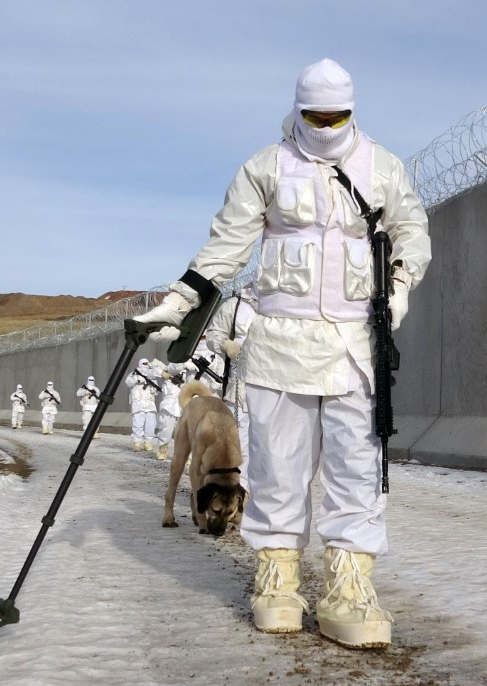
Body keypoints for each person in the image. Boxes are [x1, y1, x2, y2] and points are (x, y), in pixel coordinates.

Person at [133, 59, 431, 648]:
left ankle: (349, 585)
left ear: (352, 110)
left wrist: (398, 285)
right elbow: (227, 243)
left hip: (354, 345)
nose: (325, 126)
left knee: (356, 469)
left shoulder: (383, 167)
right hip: (280, 345)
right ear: (297, 110)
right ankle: (277, 580)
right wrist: (180, 298)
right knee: (277, 469)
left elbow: (413, 230)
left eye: (336, 116)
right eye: (314, 116)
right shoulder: (265, 167)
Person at [203, 281, 258, 488]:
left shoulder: (287, 302)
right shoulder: (234, 306)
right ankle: (240, 493)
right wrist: (225, 344)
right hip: (240, 386)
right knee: (240, 445)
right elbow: (214, 333)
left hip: (277, 384)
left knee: (271, 447)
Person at [123, 359, 159, 452]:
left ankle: (148, 442)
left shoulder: (152, 374)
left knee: (151, 425)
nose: (146, 365)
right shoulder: (133, 374)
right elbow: (128, 382)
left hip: (150, 403)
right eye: (144, 363)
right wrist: (137, 379)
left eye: (147, 363)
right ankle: (137, 443)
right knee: (138, 424)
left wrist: (153, 389)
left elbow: (156, 389)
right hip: (138, 403)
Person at [153, 360, 183, 461]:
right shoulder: (165, 373)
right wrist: (162, 373)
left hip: (182, 406)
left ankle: (181, 453)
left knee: (182, 432)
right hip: (168, 406)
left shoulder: (185, 376)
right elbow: (151, 371)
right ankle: (163, 449)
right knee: (165, 429)